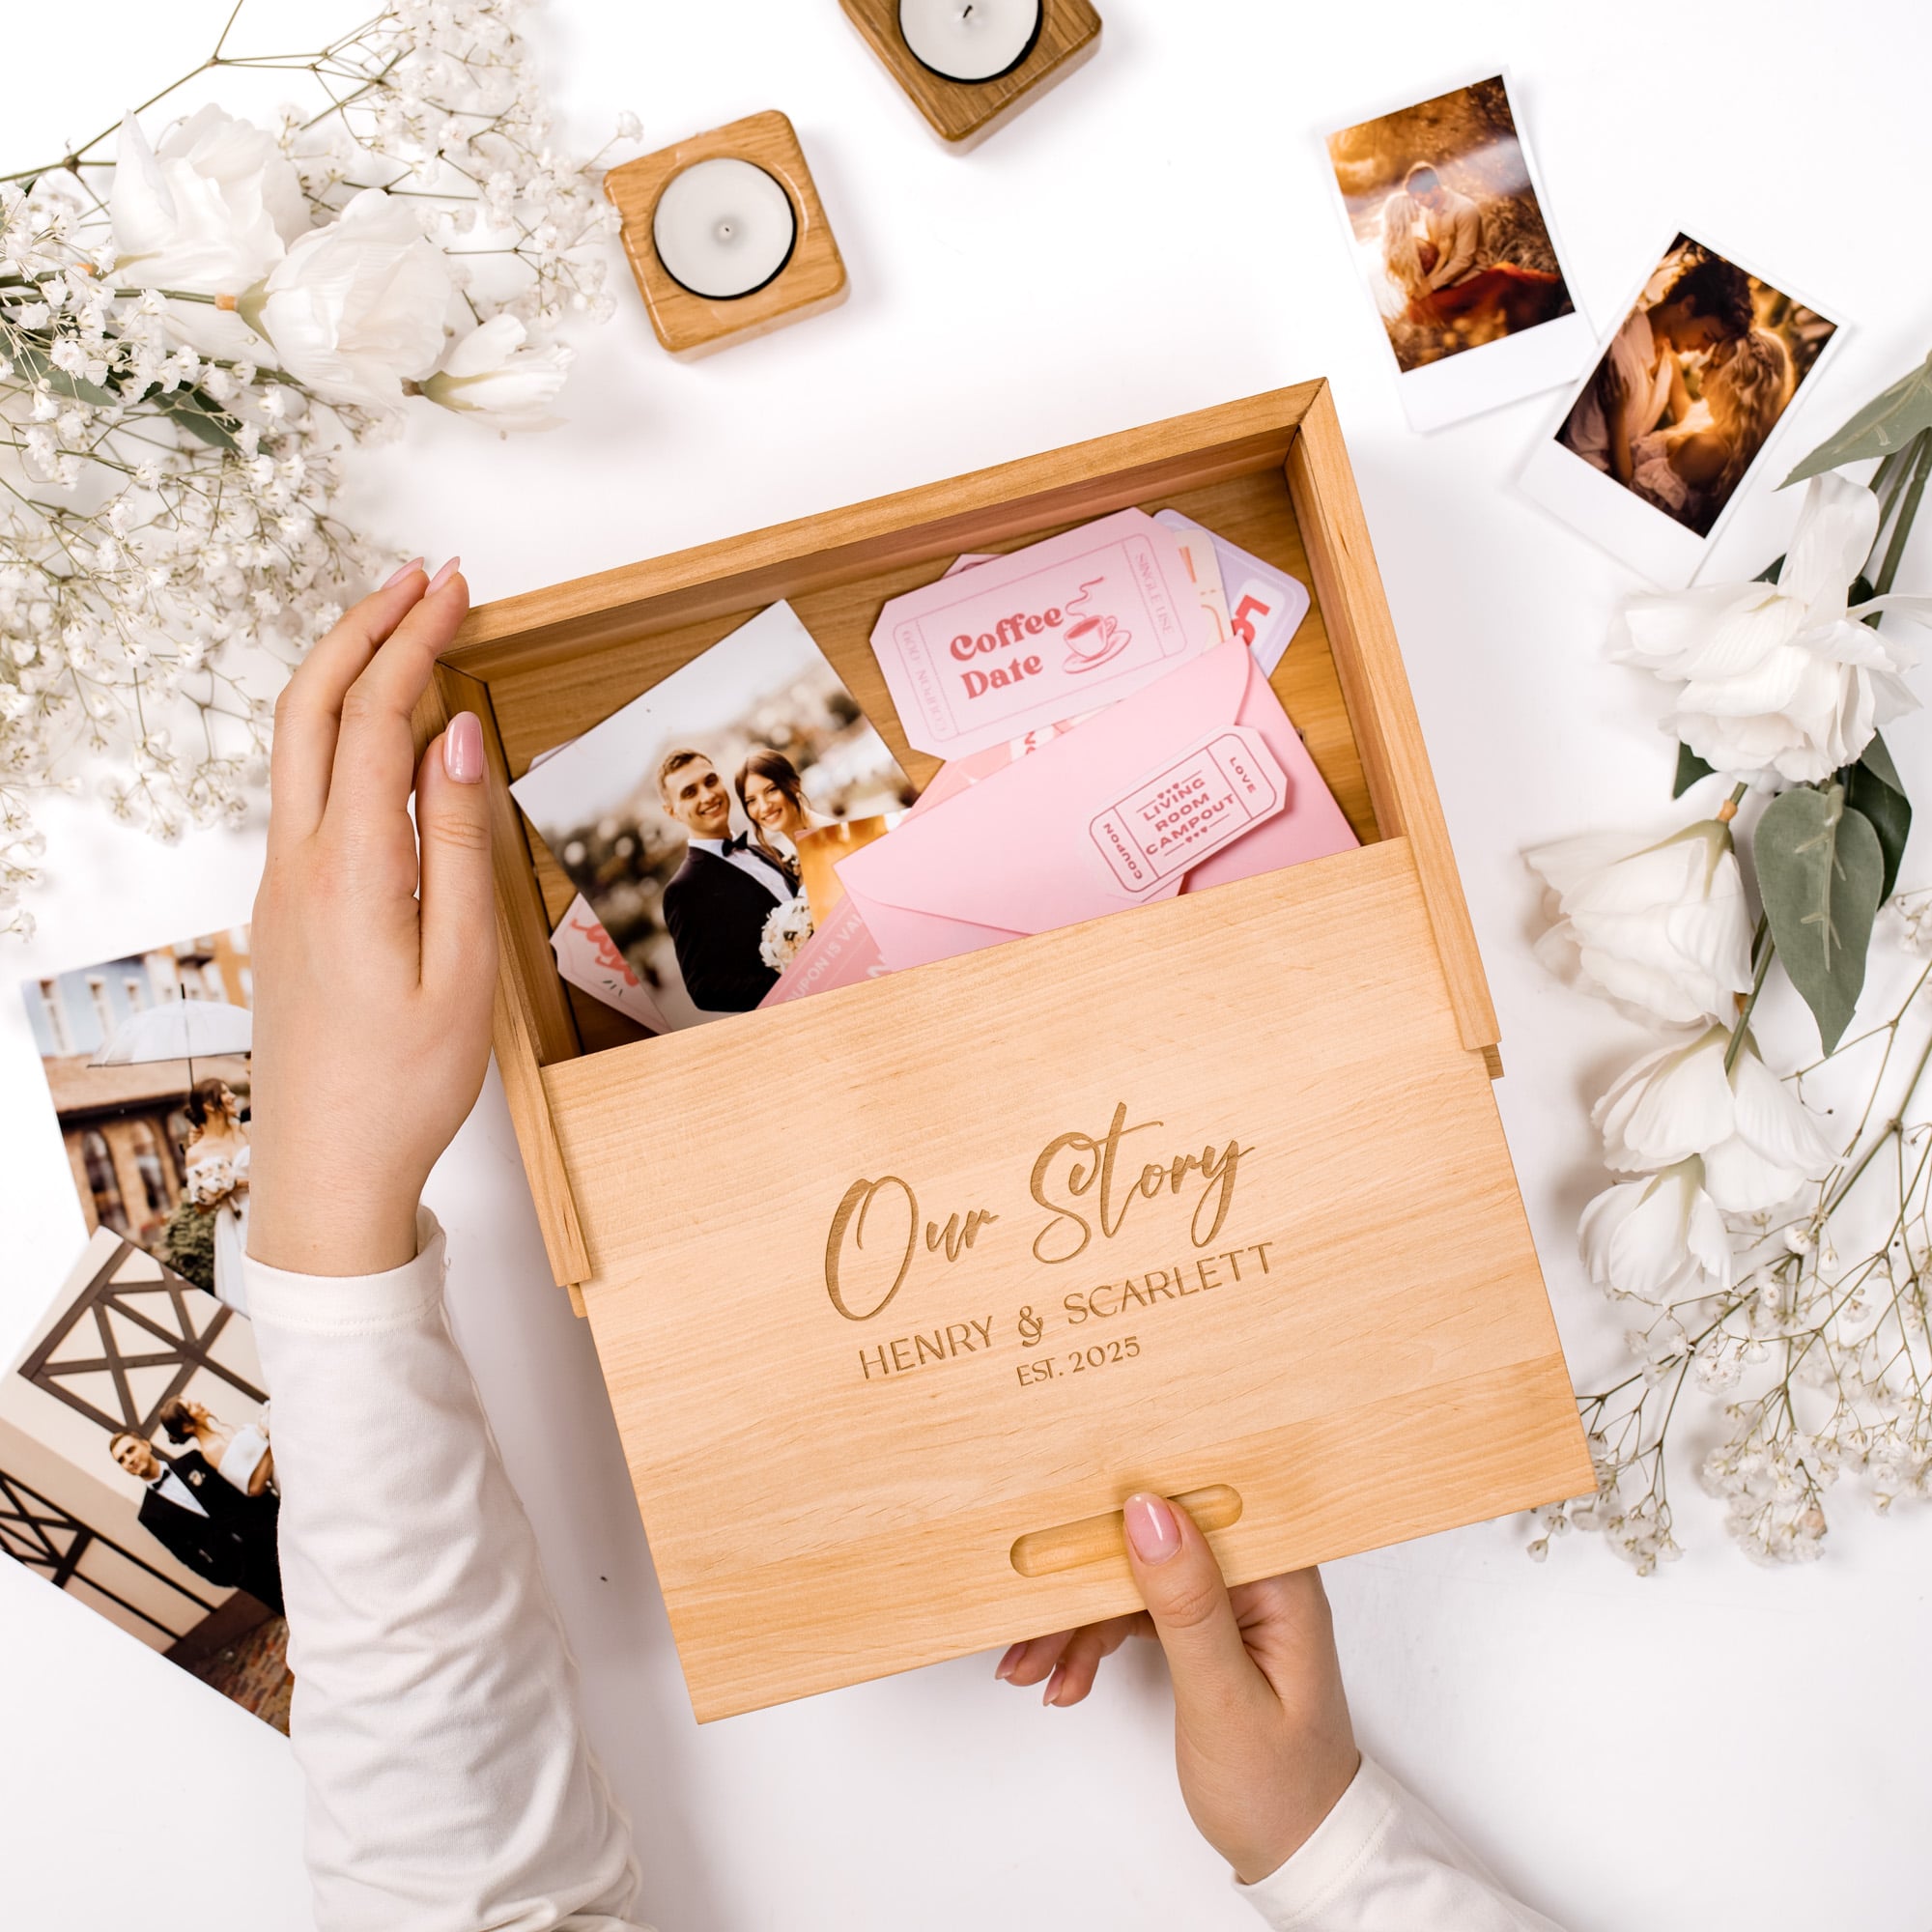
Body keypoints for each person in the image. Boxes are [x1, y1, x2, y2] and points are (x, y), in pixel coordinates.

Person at [240, 560, 1563, 1927]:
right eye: (706, 795)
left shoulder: (850, 818)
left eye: (735, 788)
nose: (727, 805)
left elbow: (463, 1890)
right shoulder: (703, 898)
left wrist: (327, 1203)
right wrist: (1325, 1847)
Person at [1560, 253, 1756, 489]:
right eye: (1707, 336)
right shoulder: (1619, 354)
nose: (1705, 350)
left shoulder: (1667, 360)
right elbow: (1580, 451)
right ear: (1687, 306)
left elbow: (1687, 414)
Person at [656, 746, 791, 1011]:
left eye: (710, 781)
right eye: (690, 792)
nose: (707, 795)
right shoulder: (683, 890)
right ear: (672, 811)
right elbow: (703, 989)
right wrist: (793, 983)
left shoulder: (764, 849)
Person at [1631, 327, 1791, 533]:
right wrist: (1670, 350)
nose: (1702, 368)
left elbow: (1631, 499)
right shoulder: (1713, 424)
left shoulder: (1708, 448)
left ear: (1736, 385)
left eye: (1715, 364)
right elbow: (1683, 406)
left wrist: (1614, 417)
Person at [109, 1427, 283, 1614]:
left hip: (266, 1537)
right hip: (241, 1567)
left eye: (130, 1450)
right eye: (122, 1460)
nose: (129, 1460)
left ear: (145, 1445)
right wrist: (223, 1576)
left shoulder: (193, 1460)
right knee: (288, 1609)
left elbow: (237, 1491)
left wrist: (272, 1521)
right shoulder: (148, 1514)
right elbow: (184, 1553)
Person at [181, 1076, 253, 1316]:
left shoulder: (246, 1130)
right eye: (224, 1092)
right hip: (232, 1222)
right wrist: (225, 1187)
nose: (232, 1095)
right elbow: (201, 1208)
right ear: (209, 1106)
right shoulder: (196, 1152)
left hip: (262, 1210)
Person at [735, 745, 821, 889]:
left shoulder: (826, 837)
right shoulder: (803, 846)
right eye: (751, 801)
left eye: (771, 790)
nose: (764, 807)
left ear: (795, 785)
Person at [157, 1395, 276, 1497]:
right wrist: (270, 1443)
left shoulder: (221, 1433)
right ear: (186, 1427)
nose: (198, 1403)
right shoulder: (211, 1449)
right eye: (190, 1407)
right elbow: (255, 1488)